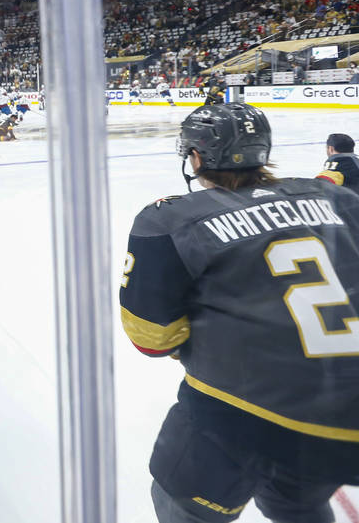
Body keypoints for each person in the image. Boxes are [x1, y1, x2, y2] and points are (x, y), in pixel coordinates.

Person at [120, 103, 359, 523]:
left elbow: (152, 339)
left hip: (238, 416)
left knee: (182, 504)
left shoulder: (171, 220)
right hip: (346, 414)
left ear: (196, 158)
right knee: (296, 500)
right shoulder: (334, 197)